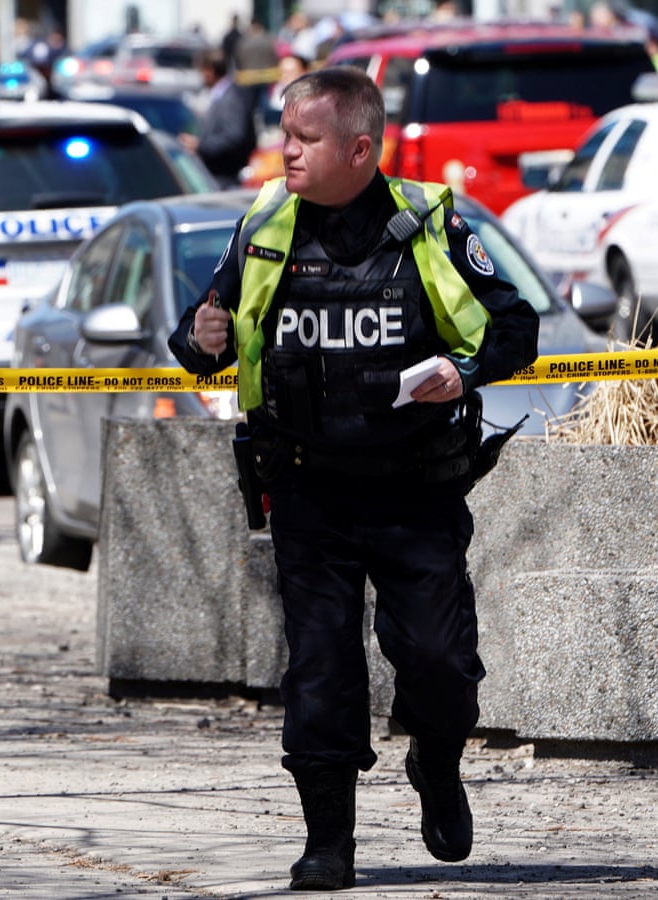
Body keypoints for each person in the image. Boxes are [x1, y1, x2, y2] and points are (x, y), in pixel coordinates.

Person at [167, 66, 538, 891]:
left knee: (441, 664)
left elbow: (516, 328)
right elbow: (200, 341)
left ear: (360, 148)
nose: (285, 152)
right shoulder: (265, 224)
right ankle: (329, 839)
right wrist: (200, 335)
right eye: (284, 135)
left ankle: (435, 767)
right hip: (307, 491)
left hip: (414, 490)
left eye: (304, 139)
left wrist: (461, 370)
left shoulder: (426, 226)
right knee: (321, 672)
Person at [180, 49, 258, 189]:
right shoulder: (220, 94)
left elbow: (233, 136)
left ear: (210, 71)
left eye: (202, 71)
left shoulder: (231, 98)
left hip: (226, 176)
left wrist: (200, 145)